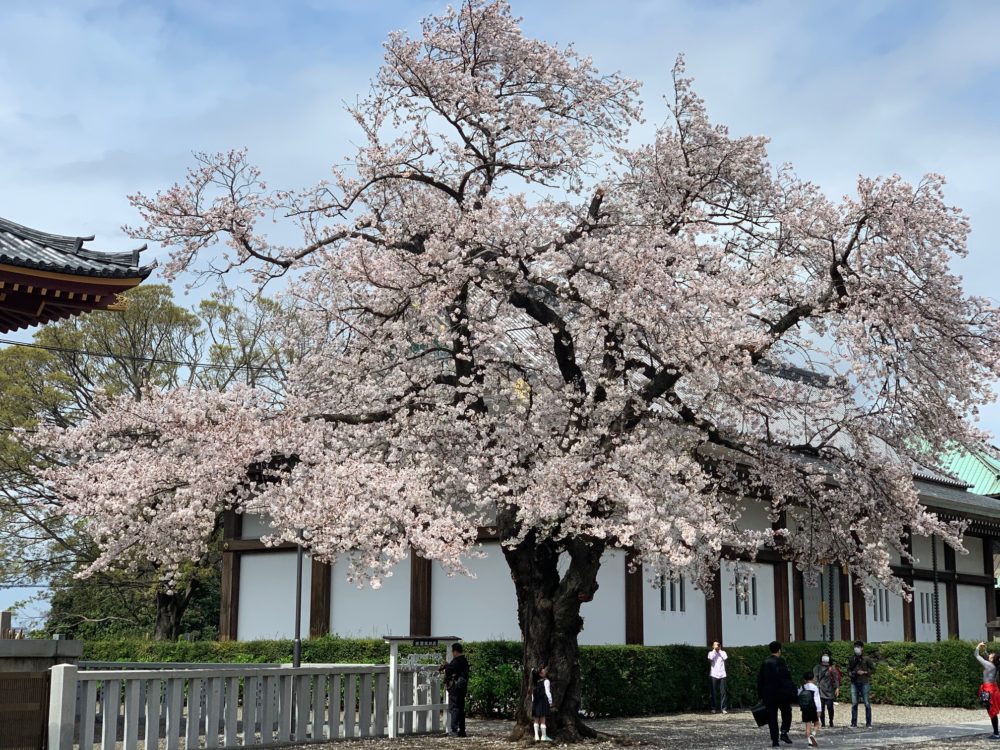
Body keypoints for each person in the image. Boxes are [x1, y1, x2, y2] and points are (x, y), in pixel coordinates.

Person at [758, 640, 795, 747]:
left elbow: (760, 680)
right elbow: (786, 677)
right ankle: (784, 731)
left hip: (769, 694)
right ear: (779, 650)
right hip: (781, 693)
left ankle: (775, 740)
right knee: (787, 712)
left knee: (772, 717)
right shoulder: (780, 661)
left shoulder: (765, 663)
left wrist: (760, 695)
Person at [442, 642, 470, 737]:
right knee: (461, 709)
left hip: (455, 688)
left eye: (452, 651)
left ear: (455, 651)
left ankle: (454, 730)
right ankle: (462, 731)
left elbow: (450, 670)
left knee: (454, 708)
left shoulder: (457, 661)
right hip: (462, 688)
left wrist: (446, 666)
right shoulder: (464, 660)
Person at [974, 641, 1000, 740]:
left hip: (989, 690)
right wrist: (984, 650)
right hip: (993, 689)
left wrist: (978, 647)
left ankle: (996, 733)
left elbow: (976, 655)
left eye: (991, 655)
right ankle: (996, 732)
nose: (989, 655)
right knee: (993, 711)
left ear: (992, 659)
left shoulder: (989, 666)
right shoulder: (994, 665)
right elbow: (987, 656)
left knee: (992, 712)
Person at [847, 640, 875, 729]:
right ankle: (854, 722)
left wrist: (865, 672)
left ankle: (868, 723)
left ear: (862, 648)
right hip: (854, 682)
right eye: (855, 647)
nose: (856, 649)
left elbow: (873, 669)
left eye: (858, 647)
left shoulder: (866, 659)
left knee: (866, 703)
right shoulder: (852, 658)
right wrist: (853, 673)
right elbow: (848, 670)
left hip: (864, 682)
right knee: (854, 703)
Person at [813, 653, 841, 728]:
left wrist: (837, 688)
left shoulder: (831, 668)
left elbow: (836, 679)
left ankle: (831, 721)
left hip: (830, 690)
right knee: (821, 708)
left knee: (830, 707)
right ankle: (823, 723)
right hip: (820, 690)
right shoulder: (817, 668)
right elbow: (815, 678)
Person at [798, 671, 822, 747]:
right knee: (817, 723)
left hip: (805, 708)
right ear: (813, 678)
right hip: (813, 708)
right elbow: (817, 699)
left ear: (804, 679)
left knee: (808, 725)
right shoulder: (815, 687)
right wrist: (819, 710)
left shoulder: (802, 687)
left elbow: (798, 696)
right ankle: (813, 735)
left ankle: (809, 742)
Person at [531, 666, 554, 743]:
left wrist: (533, 701)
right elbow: (547, 692)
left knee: (536, 720)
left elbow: (532, 694)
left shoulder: (535, 682)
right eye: (543, 671)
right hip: (543, 701)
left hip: (536, 702)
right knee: (543, 720)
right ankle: (544, 737)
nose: (545, 672)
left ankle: (536, 736)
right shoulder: (546, 681)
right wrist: (550, 702)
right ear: (541, 674)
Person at [708, 641, 728, 714]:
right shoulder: (711, 653)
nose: (717, 646)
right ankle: (713, 708)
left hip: (722, 674)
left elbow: (725, 658)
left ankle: (724, 708)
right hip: (713, 674)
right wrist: (715, 651)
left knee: (723, 692)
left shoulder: (723, 652)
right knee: (713, 692)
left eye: (719, 645)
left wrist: (719, 650)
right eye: (716, 645)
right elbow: (710, 658)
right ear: (713, 646)